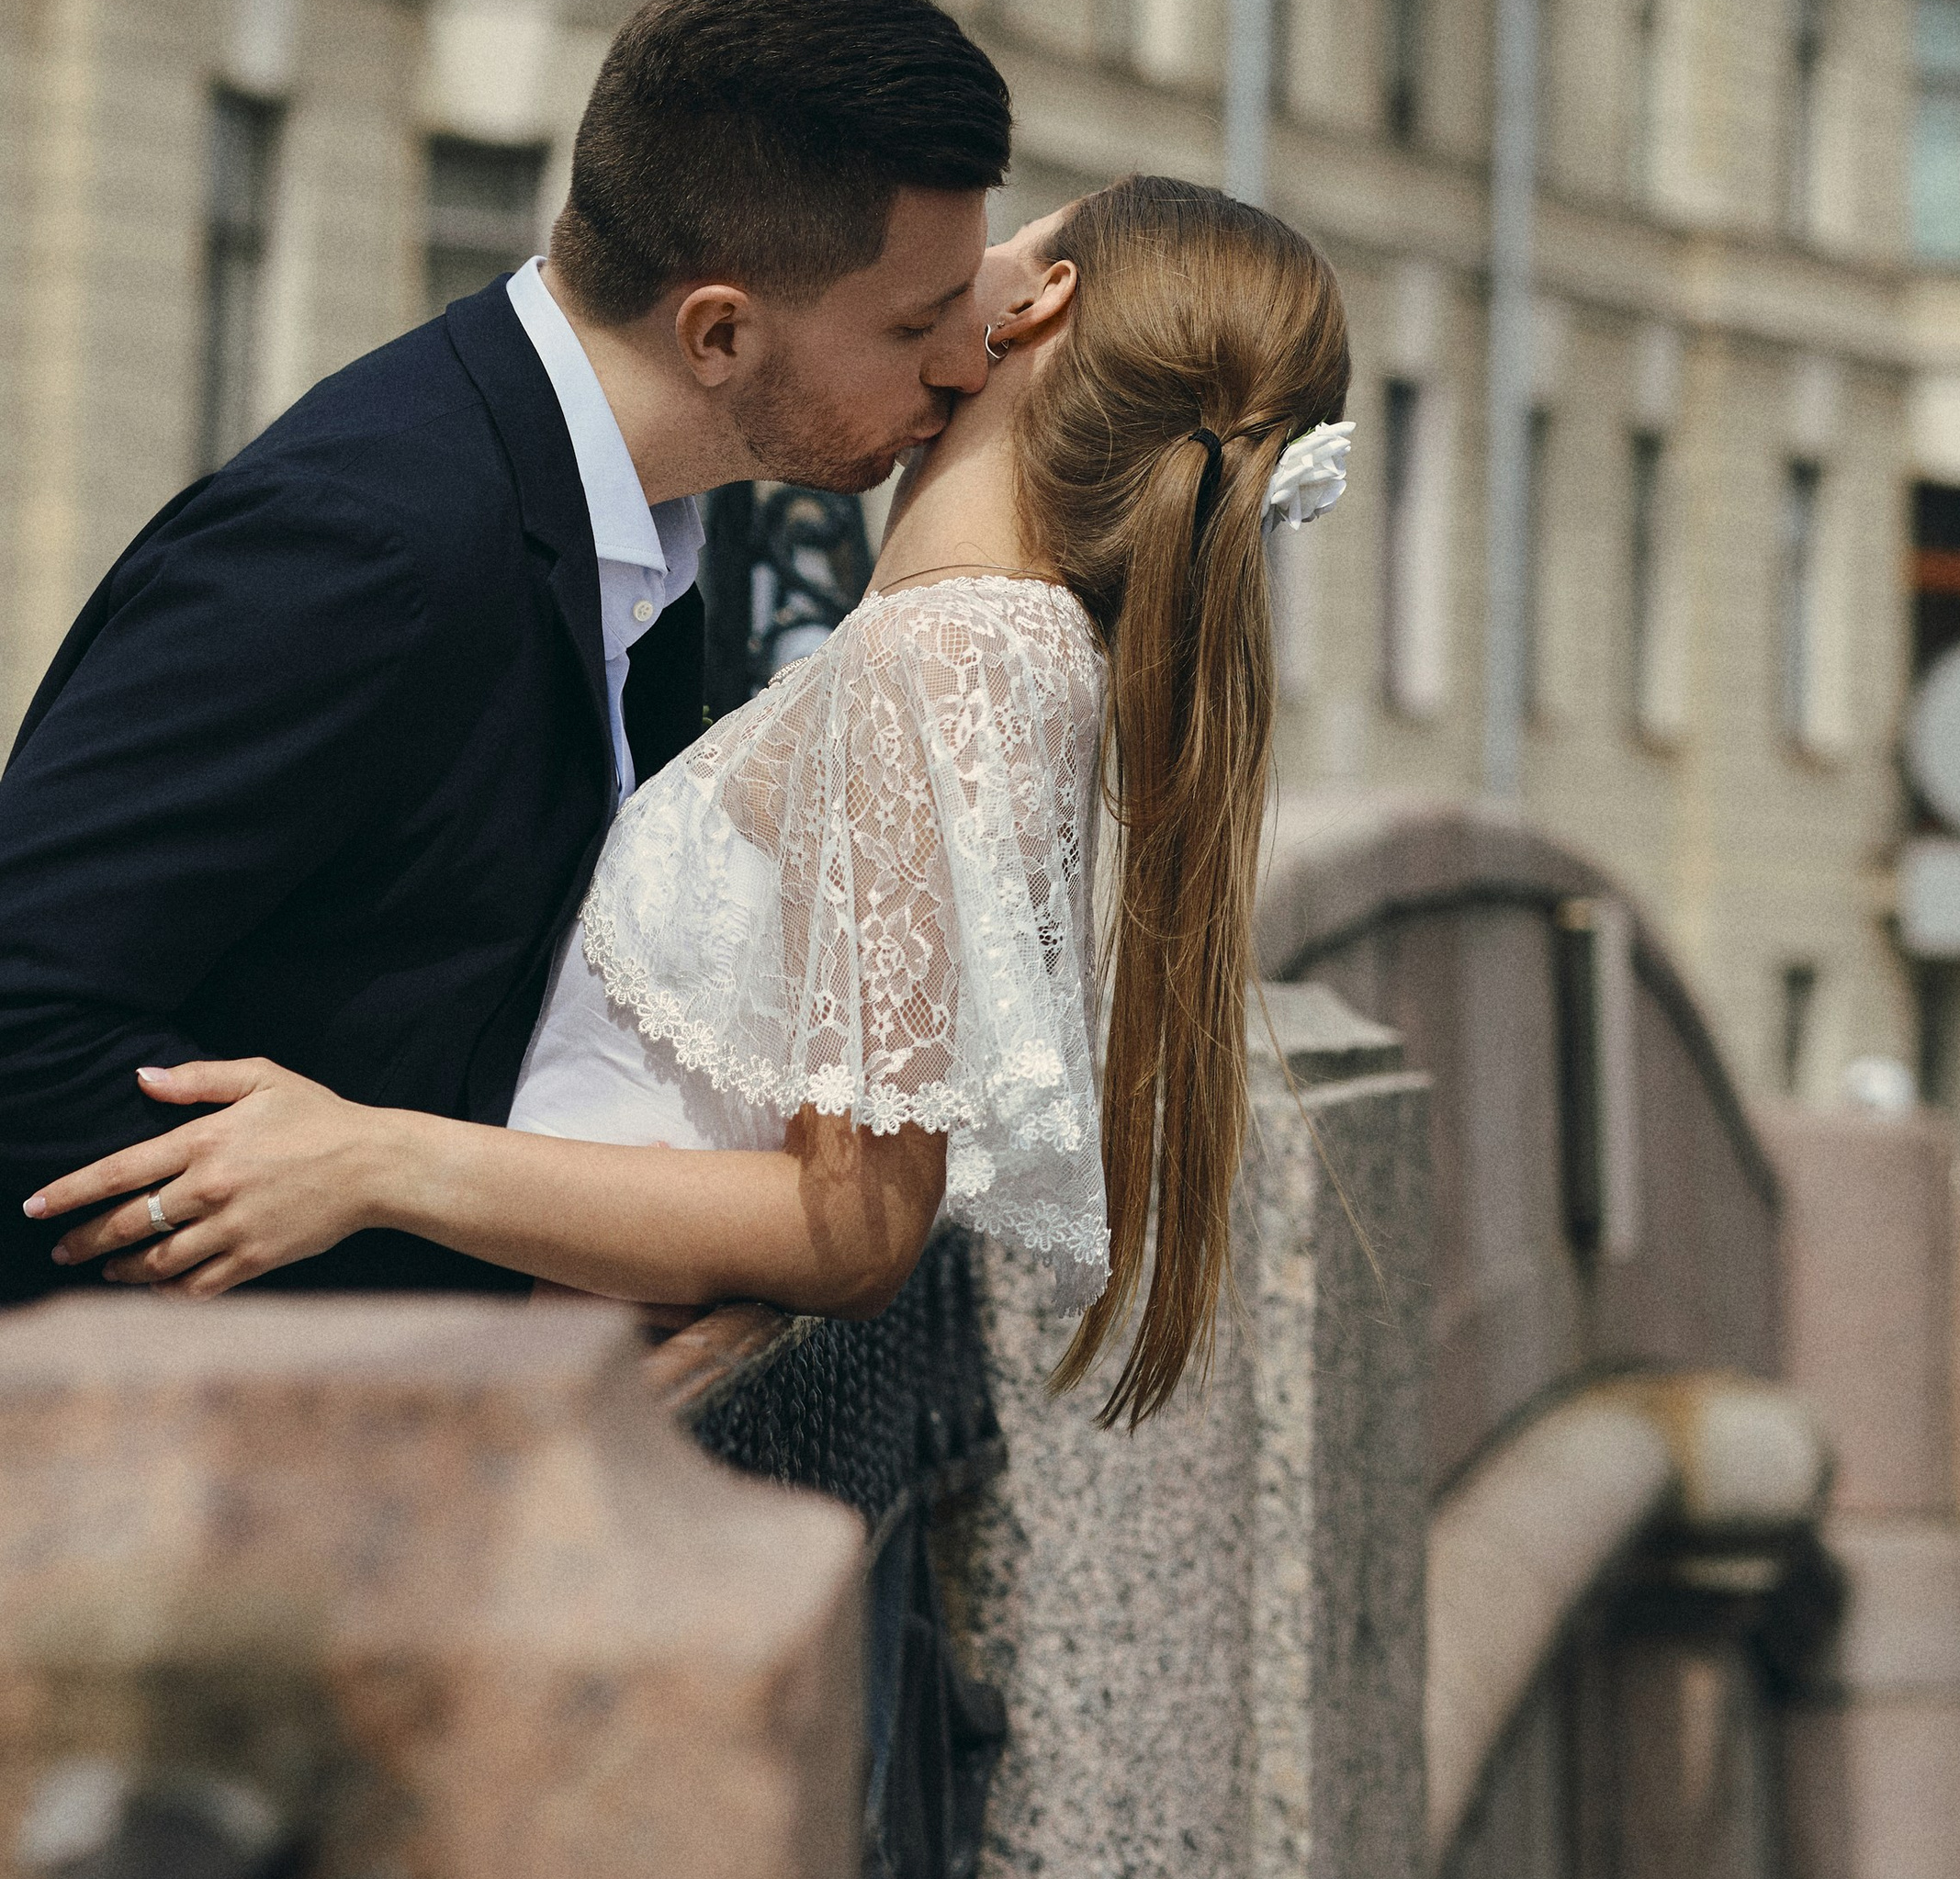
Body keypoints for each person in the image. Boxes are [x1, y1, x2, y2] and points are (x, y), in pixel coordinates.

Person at [28, 178, 1355, 1427]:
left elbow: (862, 1222)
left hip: (519, 1408)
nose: (962, 288)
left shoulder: (942, 655)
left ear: (1038, 304)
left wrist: (372, 1158)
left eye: (989, 258)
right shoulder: (1002, 652)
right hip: (537, 1367)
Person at [0, 0, 1011, 1306]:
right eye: (919, 323)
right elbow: (22, 1013)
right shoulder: (367, 548)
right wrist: (403, 1268)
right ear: (718, 334)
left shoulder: (640, 533)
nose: (966, 366)